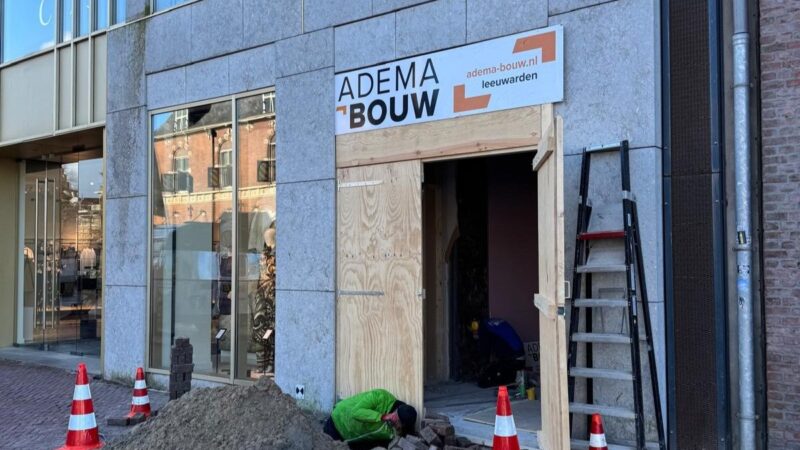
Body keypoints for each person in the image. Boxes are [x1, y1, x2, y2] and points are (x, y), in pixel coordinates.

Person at [323, 389, 417, 446]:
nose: (395, 424)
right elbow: (356, 412)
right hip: (338, 422)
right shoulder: (381, 396)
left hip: (351, 439)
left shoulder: (395, 430)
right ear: (396, 410)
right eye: (396, 418)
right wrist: (381, 416)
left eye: (399, 425)